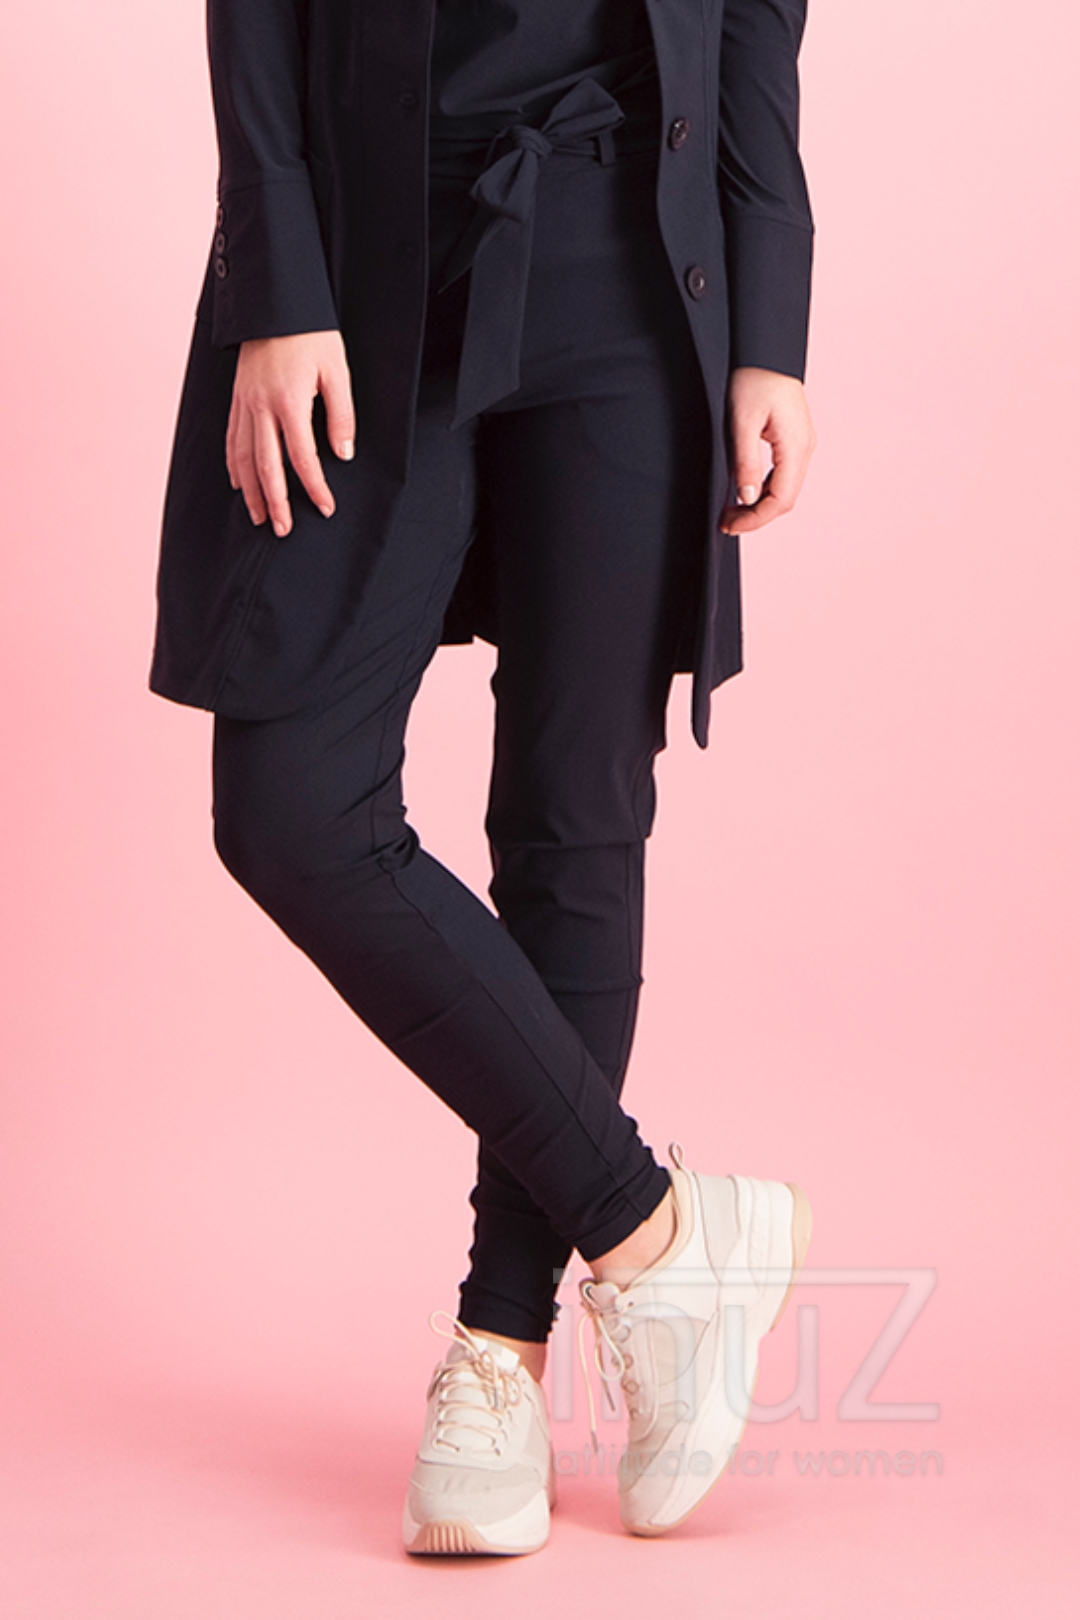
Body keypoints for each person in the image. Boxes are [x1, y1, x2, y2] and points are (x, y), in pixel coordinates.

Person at [148, 0, 817, 1554]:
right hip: (363, 254)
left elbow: (758, 22)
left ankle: (500, 1352)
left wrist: (770, 327)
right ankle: (661, 1237)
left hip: (632, 256)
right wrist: (276, 283)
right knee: (293, 807)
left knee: (576, 820)